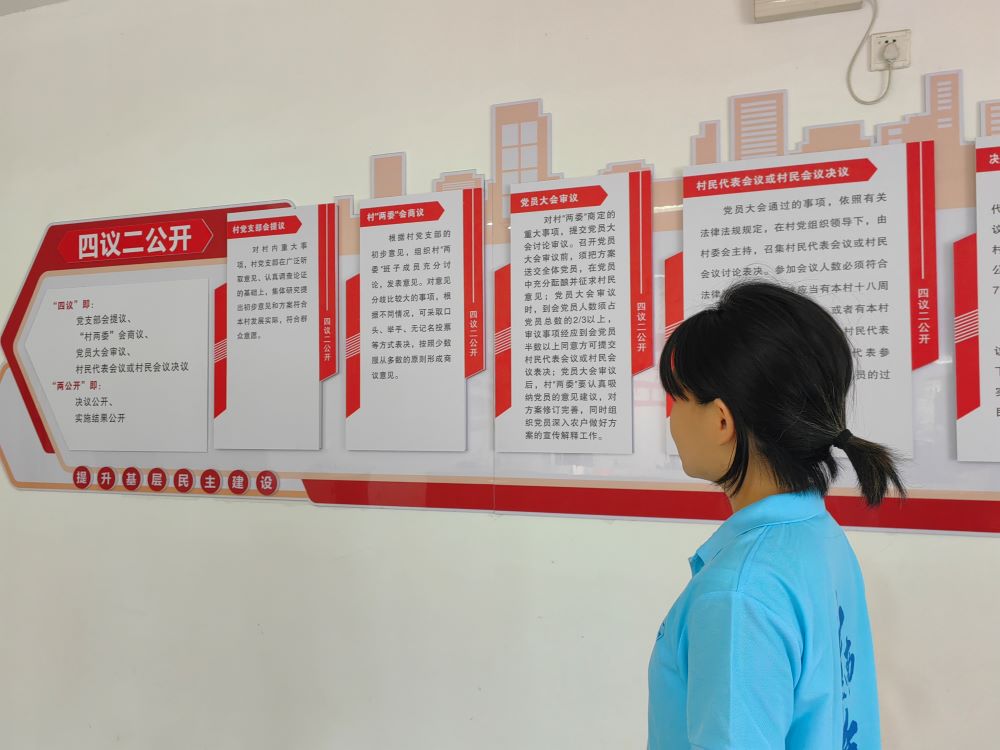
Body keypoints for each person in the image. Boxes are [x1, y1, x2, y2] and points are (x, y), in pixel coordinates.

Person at [648, 281, 904, 750]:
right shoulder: (818, 534)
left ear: (721, 420)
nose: (671, 419)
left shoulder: (738, 594)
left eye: (677, 399)